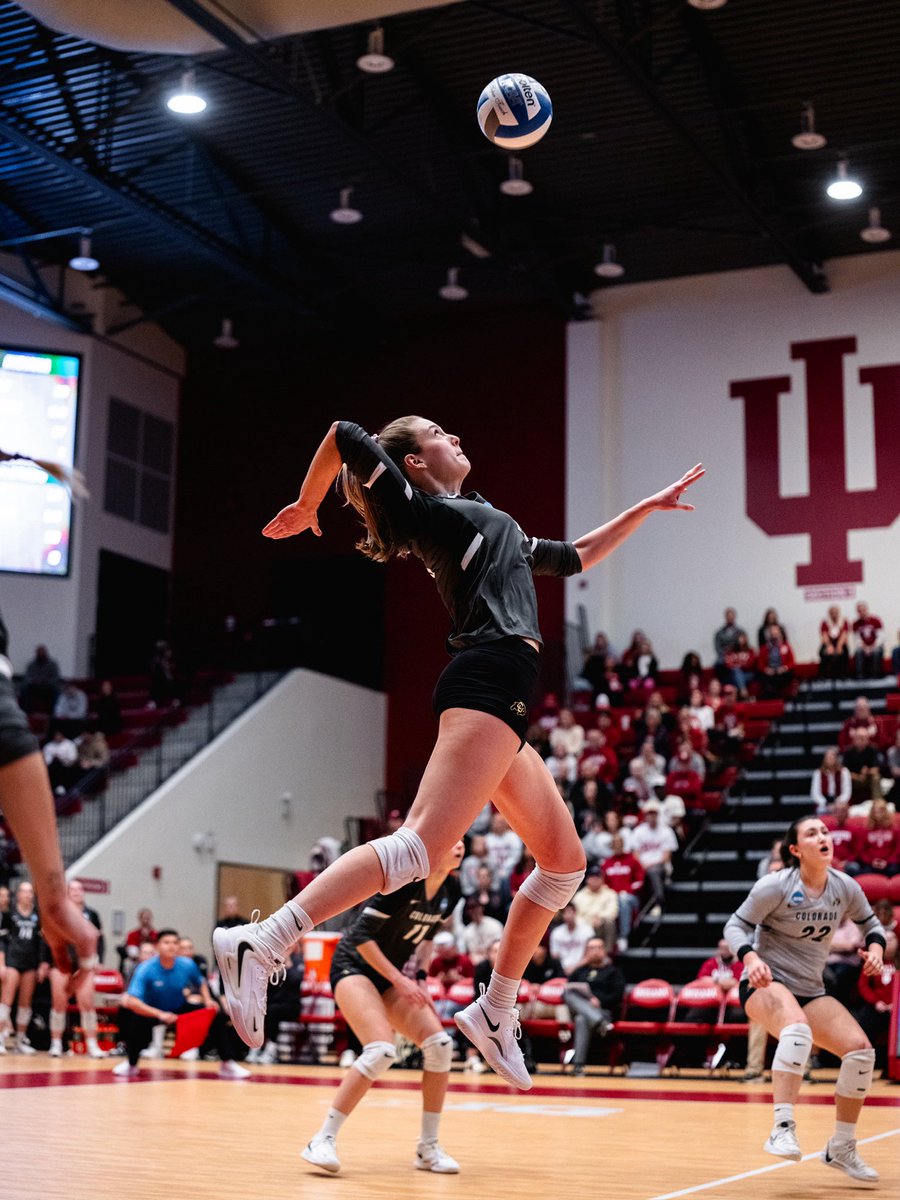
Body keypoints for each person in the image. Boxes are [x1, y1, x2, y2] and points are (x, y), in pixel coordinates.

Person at [212, 416, 703, 1090]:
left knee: (563, 866)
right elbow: (343, 433)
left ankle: (495, 1009)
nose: (457, 437)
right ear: (414, 462)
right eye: (440, 433)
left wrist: (643, 508)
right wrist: (307, 503)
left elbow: (577, 555)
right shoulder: (423, 510)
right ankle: (264, 938)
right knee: (419, 847)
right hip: (487, 677)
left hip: (508, 690)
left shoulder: (490, 521)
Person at [723, 815, 886, 1181]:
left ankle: (841, 1147)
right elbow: (735, 925)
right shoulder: (775, 885)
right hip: (765, 982)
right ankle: (782, 1127)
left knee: (860, 1052)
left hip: (810, 988)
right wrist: (751, 959)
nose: (823, 836)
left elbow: (872, 926)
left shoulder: (844, 886)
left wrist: (875, 951)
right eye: (812, 833)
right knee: (797, 1030)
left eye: (825, 831)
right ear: (796, 849)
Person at [303, 843, 464, 1175]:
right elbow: (361, 936)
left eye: (463, 839)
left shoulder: (452, 890)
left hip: (391, 975)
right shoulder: (406, 883)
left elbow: (428, 936)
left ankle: (428, 1148)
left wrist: (420, 977)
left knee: (440, 1046)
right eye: (453, 839)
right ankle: (322, 1139)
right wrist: (400, 980)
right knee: (380, 1050)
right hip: (353, 966)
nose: (460, 844)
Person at [112, 928, 250, 1079]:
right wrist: (160, 1014)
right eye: (166, 942)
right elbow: (132, 1001)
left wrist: (207, 1000)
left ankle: (227, 1063)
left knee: (216, 1016)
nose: (171, 946)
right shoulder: (146, 968)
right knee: (133, 1018)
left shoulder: (187, 964)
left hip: (178, 1008)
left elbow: (200, 981)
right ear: (157, 946)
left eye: (175, 943)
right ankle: (131, 1063)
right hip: (153, 1011)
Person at [48, 879, 106, 1058]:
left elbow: (99, 938)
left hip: (84, 965)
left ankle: (92, 1044)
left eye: (79, 889)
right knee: (59, 1003)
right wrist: (44, 962)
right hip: (61, 963)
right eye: (72, 889)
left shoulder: (92, 914)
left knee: (87, 1003)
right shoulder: (58, 913)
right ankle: (56, 1044)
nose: (76, 892)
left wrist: (98, 959)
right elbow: (48, 937)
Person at [563, 936, 625, 1075]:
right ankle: (600, 1023)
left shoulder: (614, 971)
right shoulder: (580, 971)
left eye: (598, 948)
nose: (595, 951)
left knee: (581, 1019)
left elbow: (618, 995)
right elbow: (567, 988)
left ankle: (578, 1066)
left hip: (604, 1012)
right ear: (586, 951)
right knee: (567, 994)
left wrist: (599, 1001)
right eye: (591, 948)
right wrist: (580, 964)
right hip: (585, 1011)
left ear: (604, 951)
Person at [0, 881, 47, 1053]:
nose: (27, 895)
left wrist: (42, 963)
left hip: (30, 963)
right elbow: (2, 941)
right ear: (18, 894)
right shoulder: (9, 914)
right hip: (12, 961)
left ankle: (20, 1040)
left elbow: (41, 943)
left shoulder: (38, 916)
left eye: (30, 892)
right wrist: (1, 963)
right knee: (6, 1001)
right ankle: (1, 1038)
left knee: (25, 1003)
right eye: (24, 891)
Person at [19, 644, 61, 714]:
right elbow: (27, 678)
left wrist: (46, 681)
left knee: (55, 691)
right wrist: (33, 680)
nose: (40, 655)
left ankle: (51, 715)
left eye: (42, 653)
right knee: (24, 690)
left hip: (47, 687)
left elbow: (56, 678)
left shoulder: (52, 664)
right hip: (34, 687)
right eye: (39, 653)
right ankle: (28, 714)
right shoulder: (31, 664)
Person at [810, 748, 851, 813]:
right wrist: (825, 803)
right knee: (821, 811)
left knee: (841, 810)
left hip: (840, 803)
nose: (830, 760)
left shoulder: (844, 772)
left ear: (836, 758)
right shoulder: (818, 773)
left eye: (832, 757)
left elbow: (847, 792)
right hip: (824, 804)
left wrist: (838, 803)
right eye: (828, 758)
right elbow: (815, 793)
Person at [852, 602, 884, 680]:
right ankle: (860, 675)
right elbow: (857, 639)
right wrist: (865, 648)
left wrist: (872, 647)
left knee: (876, 652)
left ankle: (875, 675)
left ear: (867, 610)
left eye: (863, 610)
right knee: (858, 651)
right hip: (863, 647)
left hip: (875, 645)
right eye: (859, 611)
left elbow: (881, 637)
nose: (862, 612)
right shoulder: (855, 623)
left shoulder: (876, 620)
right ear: (857, 612)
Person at [819, 606, 850, 680]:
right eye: (832, 613)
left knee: (844, 652)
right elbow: (824, 635)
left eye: (836, 613)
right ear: (829, 614)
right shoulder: (825, 622)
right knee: (822, 652)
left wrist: (839, 646)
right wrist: (829, 646)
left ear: (838, 613)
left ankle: (843, 674)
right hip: (829, 642)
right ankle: (824, 675)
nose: (834, 614)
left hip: (840, 642)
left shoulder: (843, 621)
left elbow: (844, 634)